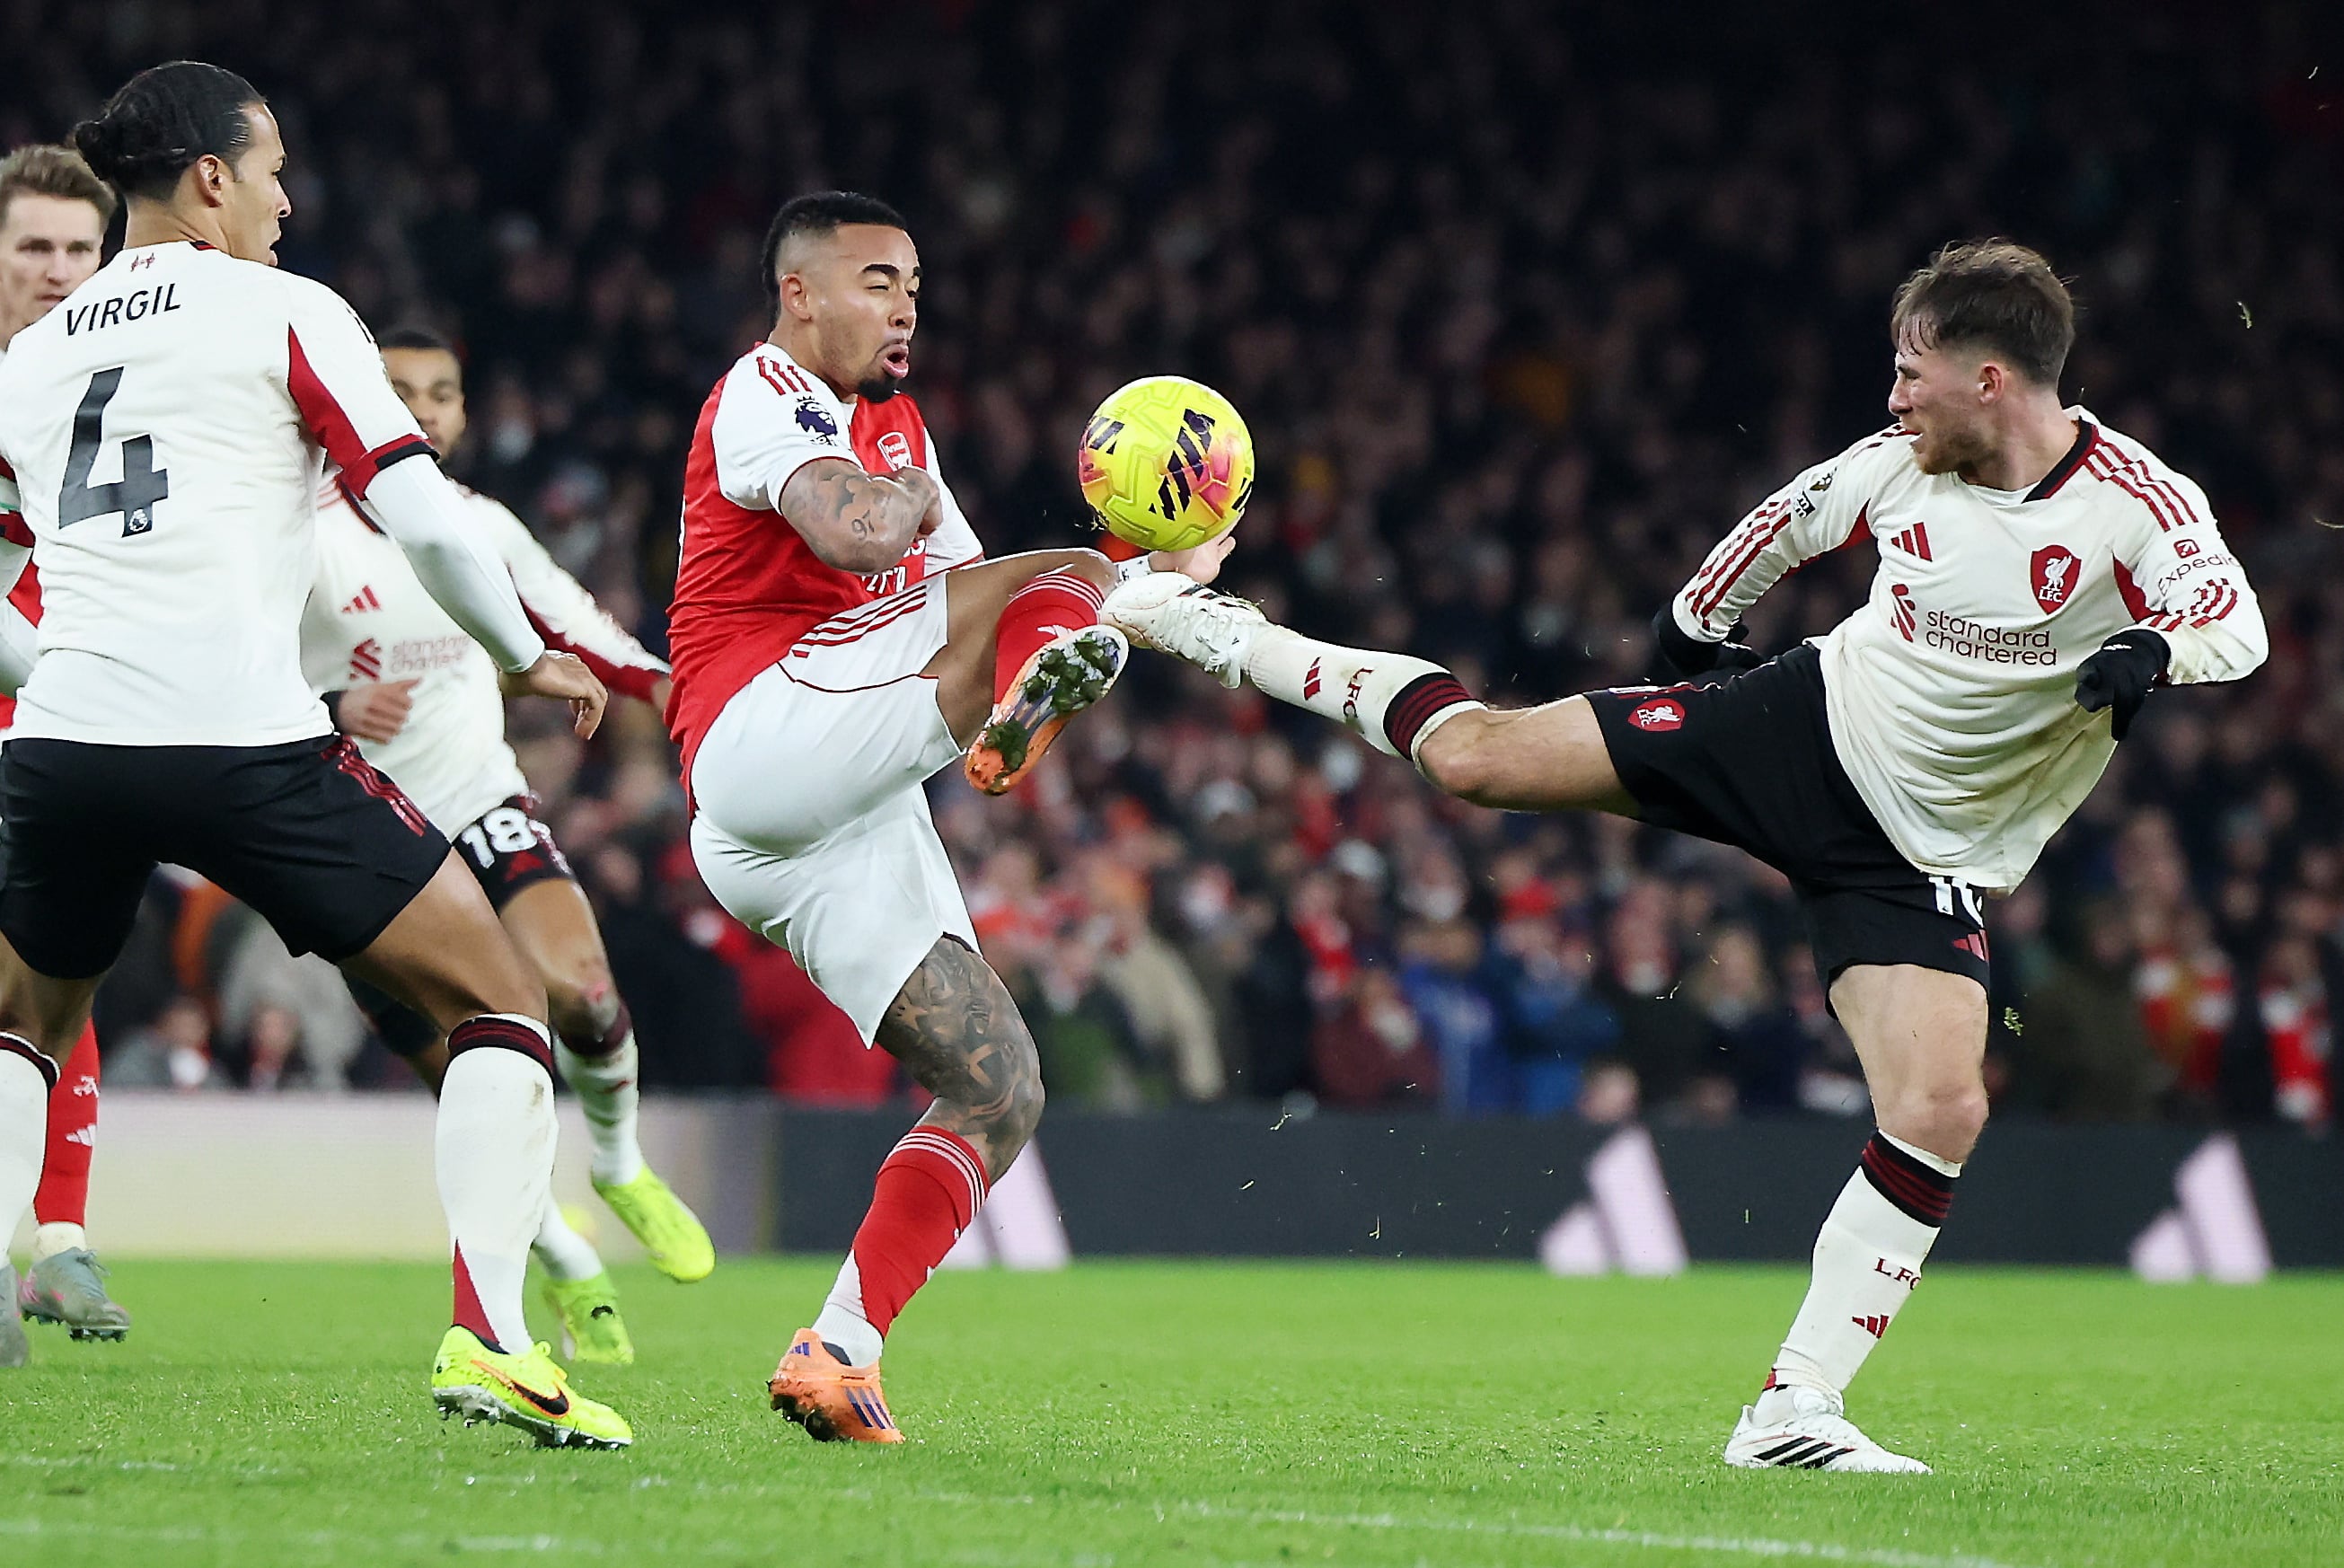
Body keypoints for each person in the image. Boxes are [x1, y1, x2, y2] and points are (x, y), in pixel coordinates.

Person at [1106, 239, 2267, 1471]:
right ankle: (1217, 631)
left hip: (1921, 853)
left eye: (1909, 370)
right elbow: (1789, 516)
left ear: (1991, 378)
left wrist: (2153, 651)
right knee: (1480, 761)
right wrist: (1693, 627)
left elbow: (2226, 616)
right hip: (1803, 726)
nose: (1891, 395)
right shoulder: (1896, 465)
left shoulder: (2134, 501)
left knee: (1940, 1104)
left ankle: (1792, 1409)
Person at [0, 61, 630, 1448]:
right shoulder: (290, 312)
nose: (289, 197)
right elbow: (432, 519)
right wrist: (526, 650)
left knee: (22, 1025)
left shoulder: (29, 362)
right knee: (501, 1001)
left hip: (60, 745)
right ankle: (495, 1343)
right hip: (240, 737)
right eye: (272, 167)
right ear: (210, 179)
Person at [666, 190, 1230, 1441]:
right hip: (757, 732)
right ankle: (1032, 697)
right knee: (1064, 582)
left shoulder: (898, 424)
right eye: (876, 277)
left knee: (999, 1084)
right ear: (798, 291)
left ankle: (838, 1348)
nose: (905, 299)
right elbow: (858, 534)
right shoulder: (765, 390)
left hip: (814, 820)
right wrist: (958, 527)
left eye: (913, 279)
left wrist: (1152, 575)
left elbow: (963, 592)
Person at [301, 324, 711, 1364]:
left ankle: (618, 1163)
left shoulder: (477, 523)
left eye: (442, 392)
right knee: (482, 1083)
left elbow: (571, 620)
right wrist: (335, 699)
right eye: (399, 391)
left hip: (483, 802)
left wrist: (662, 681)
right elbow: (233, 668)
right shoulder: (292, 531)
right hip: (363, 839)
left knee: (584, 993)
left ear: (464, 413)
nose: (424, 410)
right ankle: (566, 1263)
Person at [0, 143, 131, 1351]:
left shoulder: (125, 385)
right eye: (32, 247)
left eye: (79, 250)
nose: (57, 271)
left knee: (59, 961)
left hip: (55, 721)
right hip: (51, 689)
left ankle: (56, 1241)